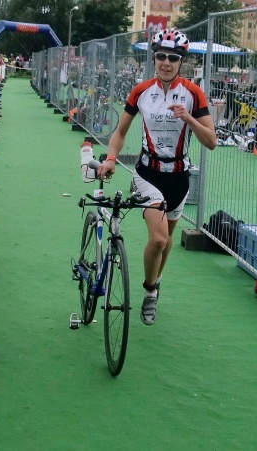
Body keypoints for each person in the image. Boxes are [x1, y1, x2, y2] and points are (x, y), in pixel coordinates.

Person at [98, 28, 216, 325]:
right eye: (161, 56)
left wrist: (189, 118)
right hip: (147, 174)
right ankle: (150, 291)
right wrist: (111, 159)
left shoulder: (193, 93)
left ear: (181, 62)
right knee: (159, 239)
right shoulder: (140, 91)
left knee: (168, 239)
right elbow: (120, 131)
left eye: (173, 58)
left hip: (179, 177)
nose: (166, 62)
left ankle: (156, 281)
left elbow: (211, 141)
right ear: (154, 58)